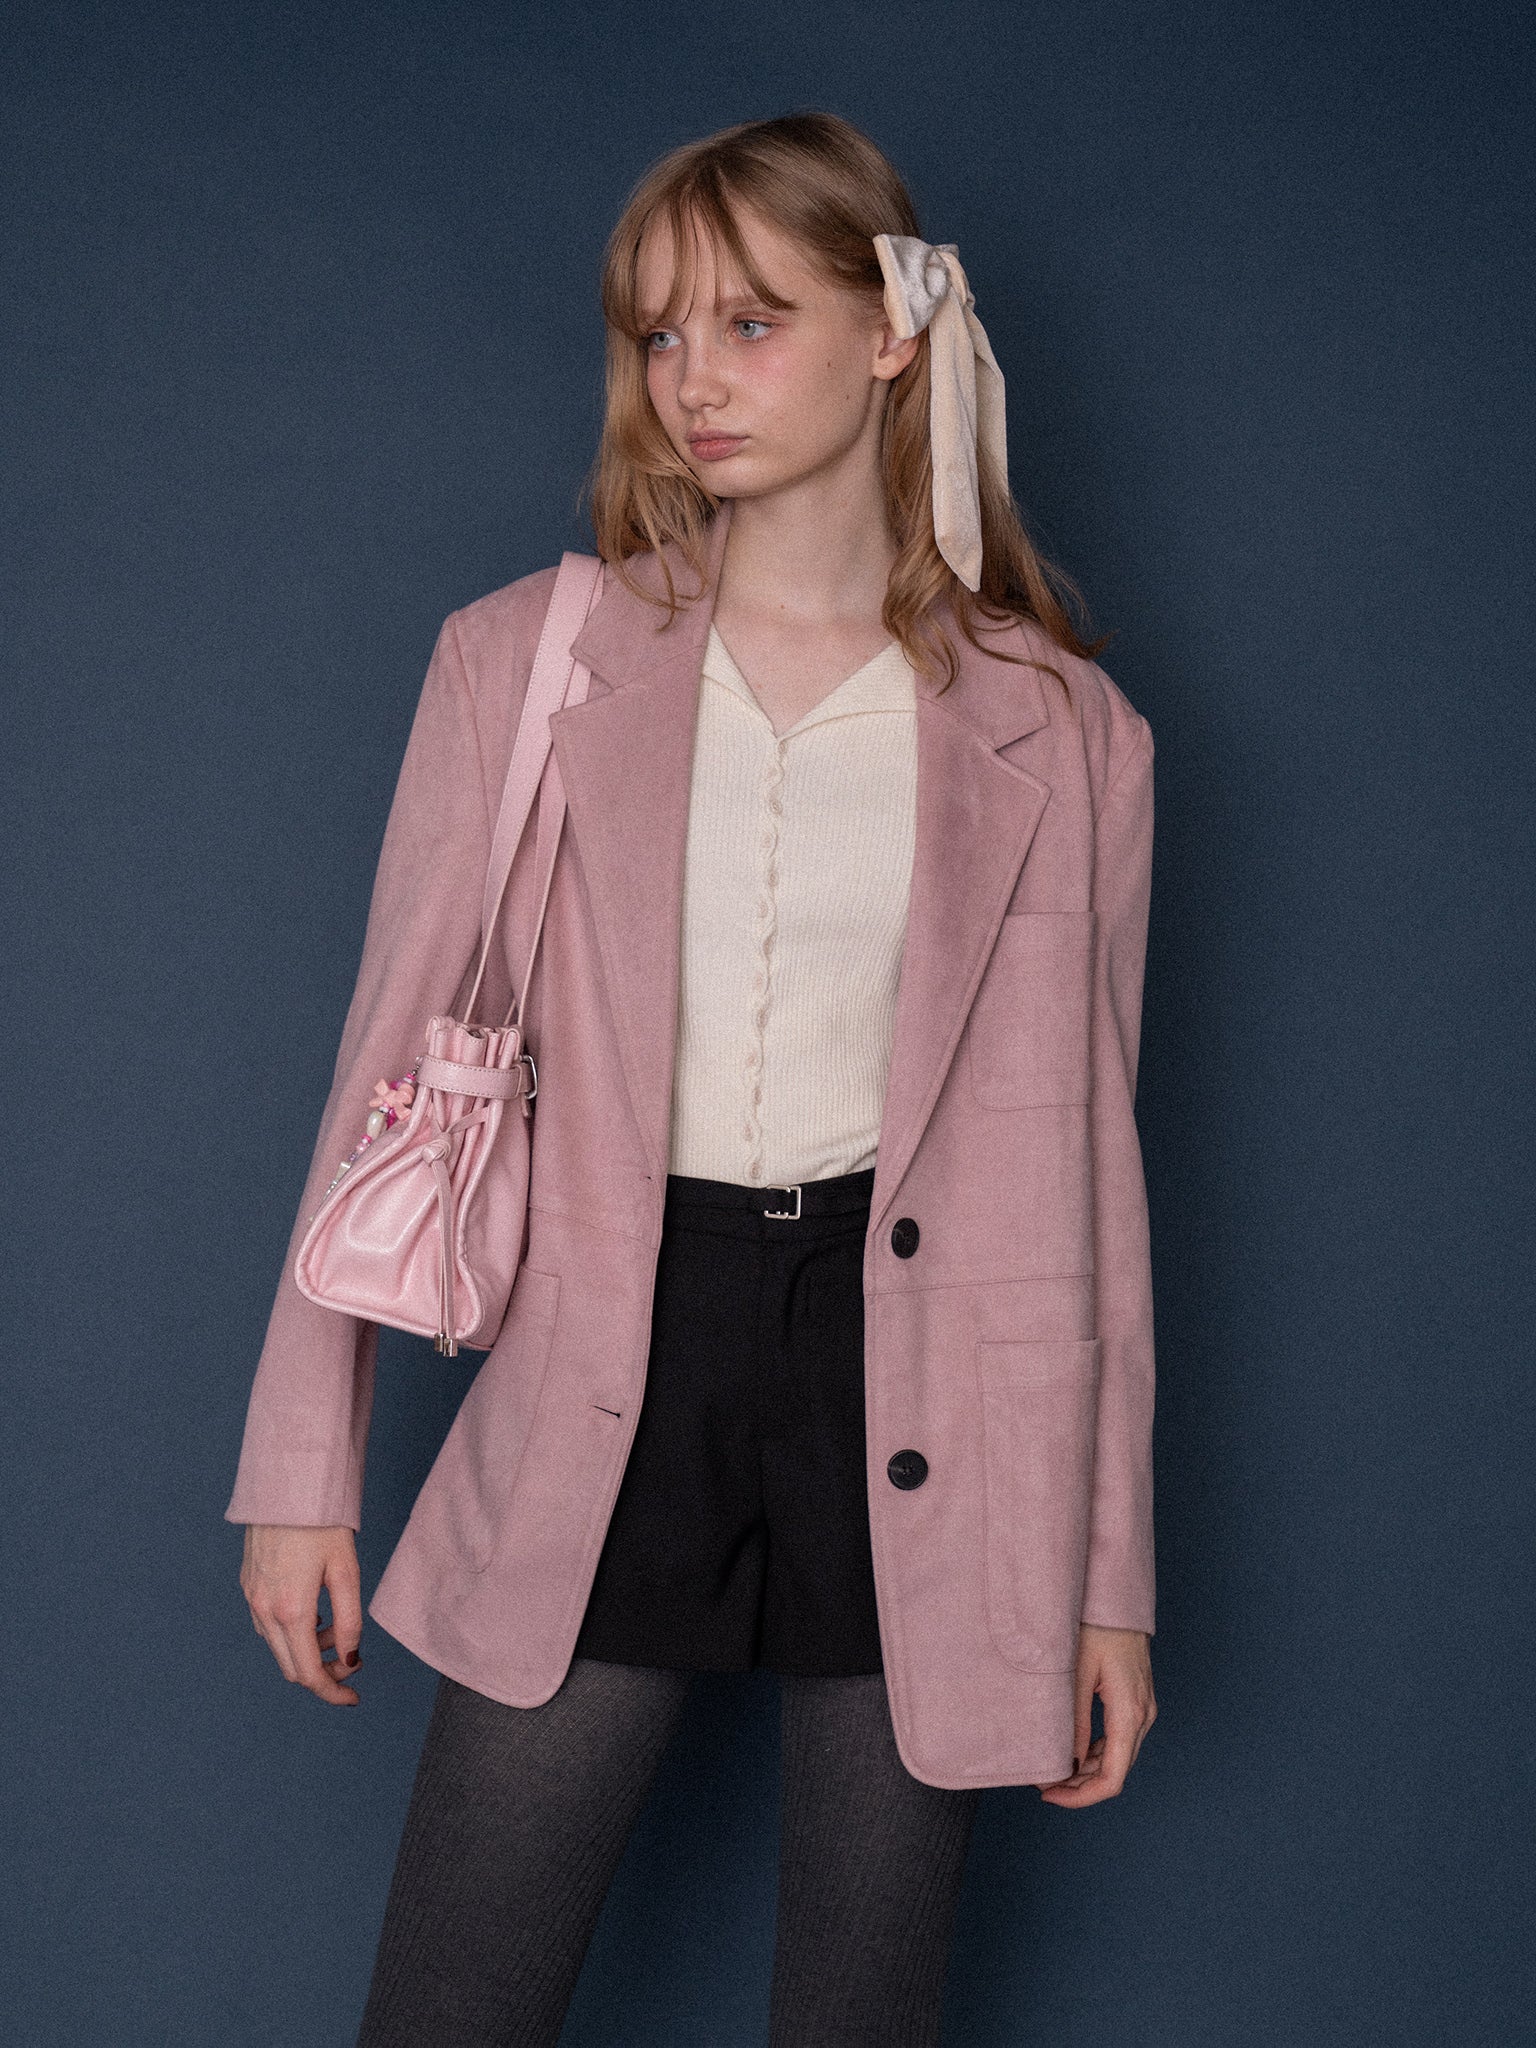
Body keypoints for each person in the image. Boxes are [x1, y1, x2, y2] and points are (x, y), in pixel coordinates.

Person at [226, 111, 1159, 2046]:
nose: (693, 380)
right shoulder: (525, 659)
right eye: (659, 334)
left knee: (862, 2015)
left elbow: (1091, 1178)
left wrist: (1105, 1583)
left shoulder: (1064, 728)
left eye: (750, 322)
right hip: (609, 1347)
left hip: (928, 1396)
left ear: (895, 332)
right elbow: (386, 1063)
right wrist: (302, 1468)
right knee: (452, 2008)